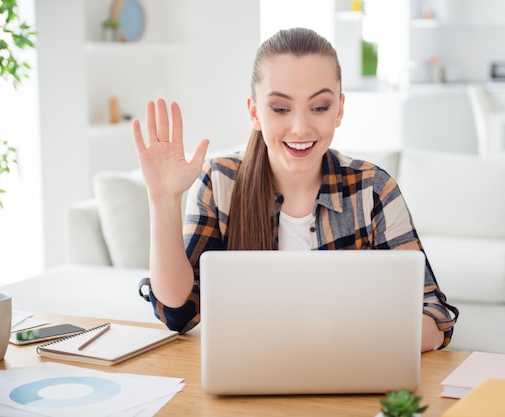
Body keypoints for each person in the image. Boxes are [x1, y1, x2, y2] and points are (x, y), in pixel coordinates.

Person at [132, 27, 458, 352]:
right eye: (280, 108)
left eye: (319, 107)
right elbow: (179, 311)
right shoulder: (219, 182)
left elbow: (431, 312)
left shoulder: (372, 189)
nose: (300, 127)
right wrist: (163, 199)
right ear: (255, 112)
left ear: (339, 110)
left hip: (348, 379)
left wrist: (351, 345)